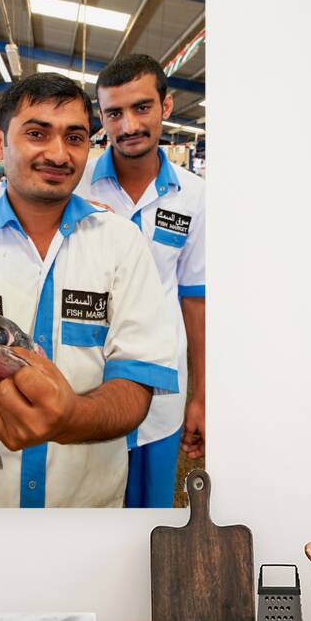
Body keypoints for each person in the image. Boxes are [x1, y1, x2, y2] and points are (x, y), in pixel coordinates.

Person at [0, 73, 178, 508]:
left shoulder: (120, 242)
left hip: (87, 511)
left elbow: (137, 378)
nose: (58, 154)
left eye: (74, 137)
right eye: (37, 133)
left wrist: (71, 418)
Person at [74, 54, 206, 508]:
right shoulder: (77, 184)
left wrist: (200, 398)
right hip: (85, 380)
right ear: (101, 117)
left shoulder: (195, 197)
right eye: (114, 113)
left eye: (141, 108)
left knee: (148, 518)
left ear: (166, 107)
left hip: (161, 387)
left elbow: (195, 298)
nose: (128, 124)